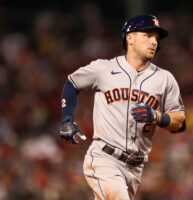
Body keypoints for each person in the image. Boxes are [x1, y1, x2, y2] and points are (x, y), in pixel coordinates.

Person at [59, 14, 186, 200]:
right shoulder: (104, 69)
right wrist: (67, 119)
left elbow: (180, 123)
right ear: (130, 38)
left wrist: (159, 117)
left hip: (135, 167)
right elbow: (72, 83)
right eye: (148, 36)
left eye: (156, 39)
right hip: (104, 158)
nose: (154, 42)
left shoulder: (165, 79)